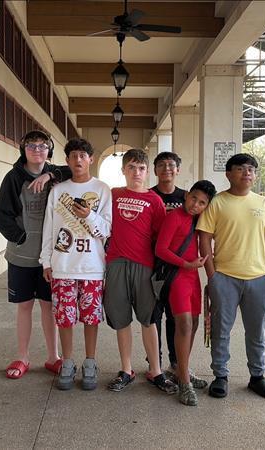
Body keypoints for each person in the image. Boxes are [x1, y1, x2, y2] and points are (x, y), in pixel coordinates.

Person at [197, 153, 265, 400]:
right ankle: (220, 376)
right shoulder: (218, 203)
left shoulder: (263, 204)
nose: (247, 173)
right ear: (228, 174)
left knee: (257, 331)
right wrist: (212, 276)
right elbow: (204, 238)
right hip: (225, 278)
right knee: (221, 330)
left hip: (259, 279)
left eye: (252, 169)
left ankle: (257, 376)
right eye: (241, 169)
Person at [0, 130, 71, 379]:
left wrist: (49, 174)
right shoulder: (14, 178)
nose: (37, 150)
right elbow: (0, 217)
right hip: (22, 257)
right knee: (24, 306)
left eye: (43, 146)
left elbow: (72, 170)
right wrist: (22, 237)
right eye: (31, 146)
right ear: (23, 149)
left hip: (50, 257)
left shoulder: (57, 174)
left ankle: (53, 357)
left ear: (49, 150)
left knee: (49, 306)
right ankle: (23, 356)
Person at [40, 138, 112, 391]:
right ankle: (68, 361)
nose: (78, 160)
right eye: (73, 156)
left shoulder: (102, 190)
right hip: (63, 265)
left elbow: (106, 229)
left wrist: (88, 215)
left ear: (91, 159)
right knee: (65, 318)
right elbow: (49, 228)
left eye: (83, 155)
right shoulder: (58, 191)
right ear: (68, 160)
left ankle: (90, 362)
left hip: (92, 266)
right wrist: (45, 260)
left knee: (91, 318)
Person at [103, 149, 177, 394]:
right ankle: (126, 369)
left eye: (141, 168)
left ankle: (155, 370)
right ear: (123, 170)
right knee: (121, 318)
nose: (137, 172)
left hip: (144, 265)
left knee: (148, 319)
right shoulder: (112, 195)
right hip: (116, 263)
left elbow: (159, 236)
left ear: (147, 172)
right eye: (132, 167)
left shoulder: (154, 200)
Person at [155, 180, 216, 406]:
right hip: (178, 276)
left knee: (195, 323)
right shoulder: (174, 217)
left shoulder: (200, 220)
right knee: (184, 325)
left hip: (193, 278)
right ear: (187, 194)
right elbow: (160, 249)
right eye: (193, 198)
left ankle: (182, 370)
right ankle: (183, 382)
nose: (195, 205)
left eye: (202, 203)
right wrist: (185, 264)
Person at [149, 152, 188, 379]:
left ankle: (175, 361)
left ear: (178, 169)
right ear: (155, 170)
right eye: (161, 165)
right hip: (153, 265)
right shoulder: (148, 196)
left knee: (175, 316)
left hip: (177, 268)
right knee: (153, 315)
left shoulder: (186, 197)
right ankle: (156, 362)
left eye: (171, 165)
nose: (166, 169)